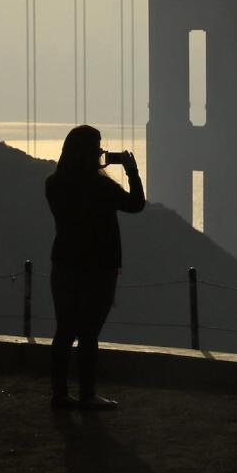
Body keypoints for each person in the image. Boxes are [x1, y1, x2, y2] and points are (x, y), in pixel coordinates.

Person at [45, 125, 145, 410]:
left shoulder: (52, 184)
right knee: (89, 332)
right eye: (98, 148)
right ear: (89, 153)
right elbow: (136, 204)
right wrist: (131, 170)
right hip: (99, 267)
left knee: (64, 330)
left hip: (63, 264)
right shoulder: (100, 187)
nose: (102, 152)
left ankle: (59, 394)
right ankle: (87, 395)